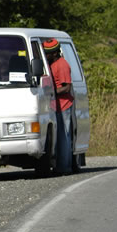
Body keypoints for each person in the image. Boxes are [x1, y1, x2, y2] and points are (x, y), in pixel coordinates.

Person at [43, 39, 74, 175]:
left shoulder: (61, 65)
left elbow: (67, 87)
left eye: (48, 53)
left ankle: (64, 168)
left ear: (55, 53)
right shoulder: (52, 63)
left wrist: (52, 92)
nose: (46, 55)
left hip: (64, 105)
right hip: (56, 105)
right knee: (59, 137)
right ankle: (61, 166)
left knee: (64, 137)